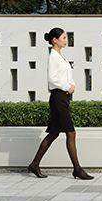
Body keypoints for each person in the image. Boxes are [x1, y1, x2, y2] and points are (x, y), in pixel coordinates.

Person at [28, 27, 93, 180]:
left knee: (54, 133)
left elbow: (66, 75)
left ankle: (35, 164)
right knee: (71, 132)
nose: (66, 40)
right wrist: (66, 87)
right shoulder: (53, 57)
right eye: (63, 38)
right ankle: (77, 169)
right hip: (58, 98)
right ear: (54, 40)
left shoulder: (61, 56)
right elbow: (52, 79)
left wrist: (72, 85)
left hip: (64, 97)